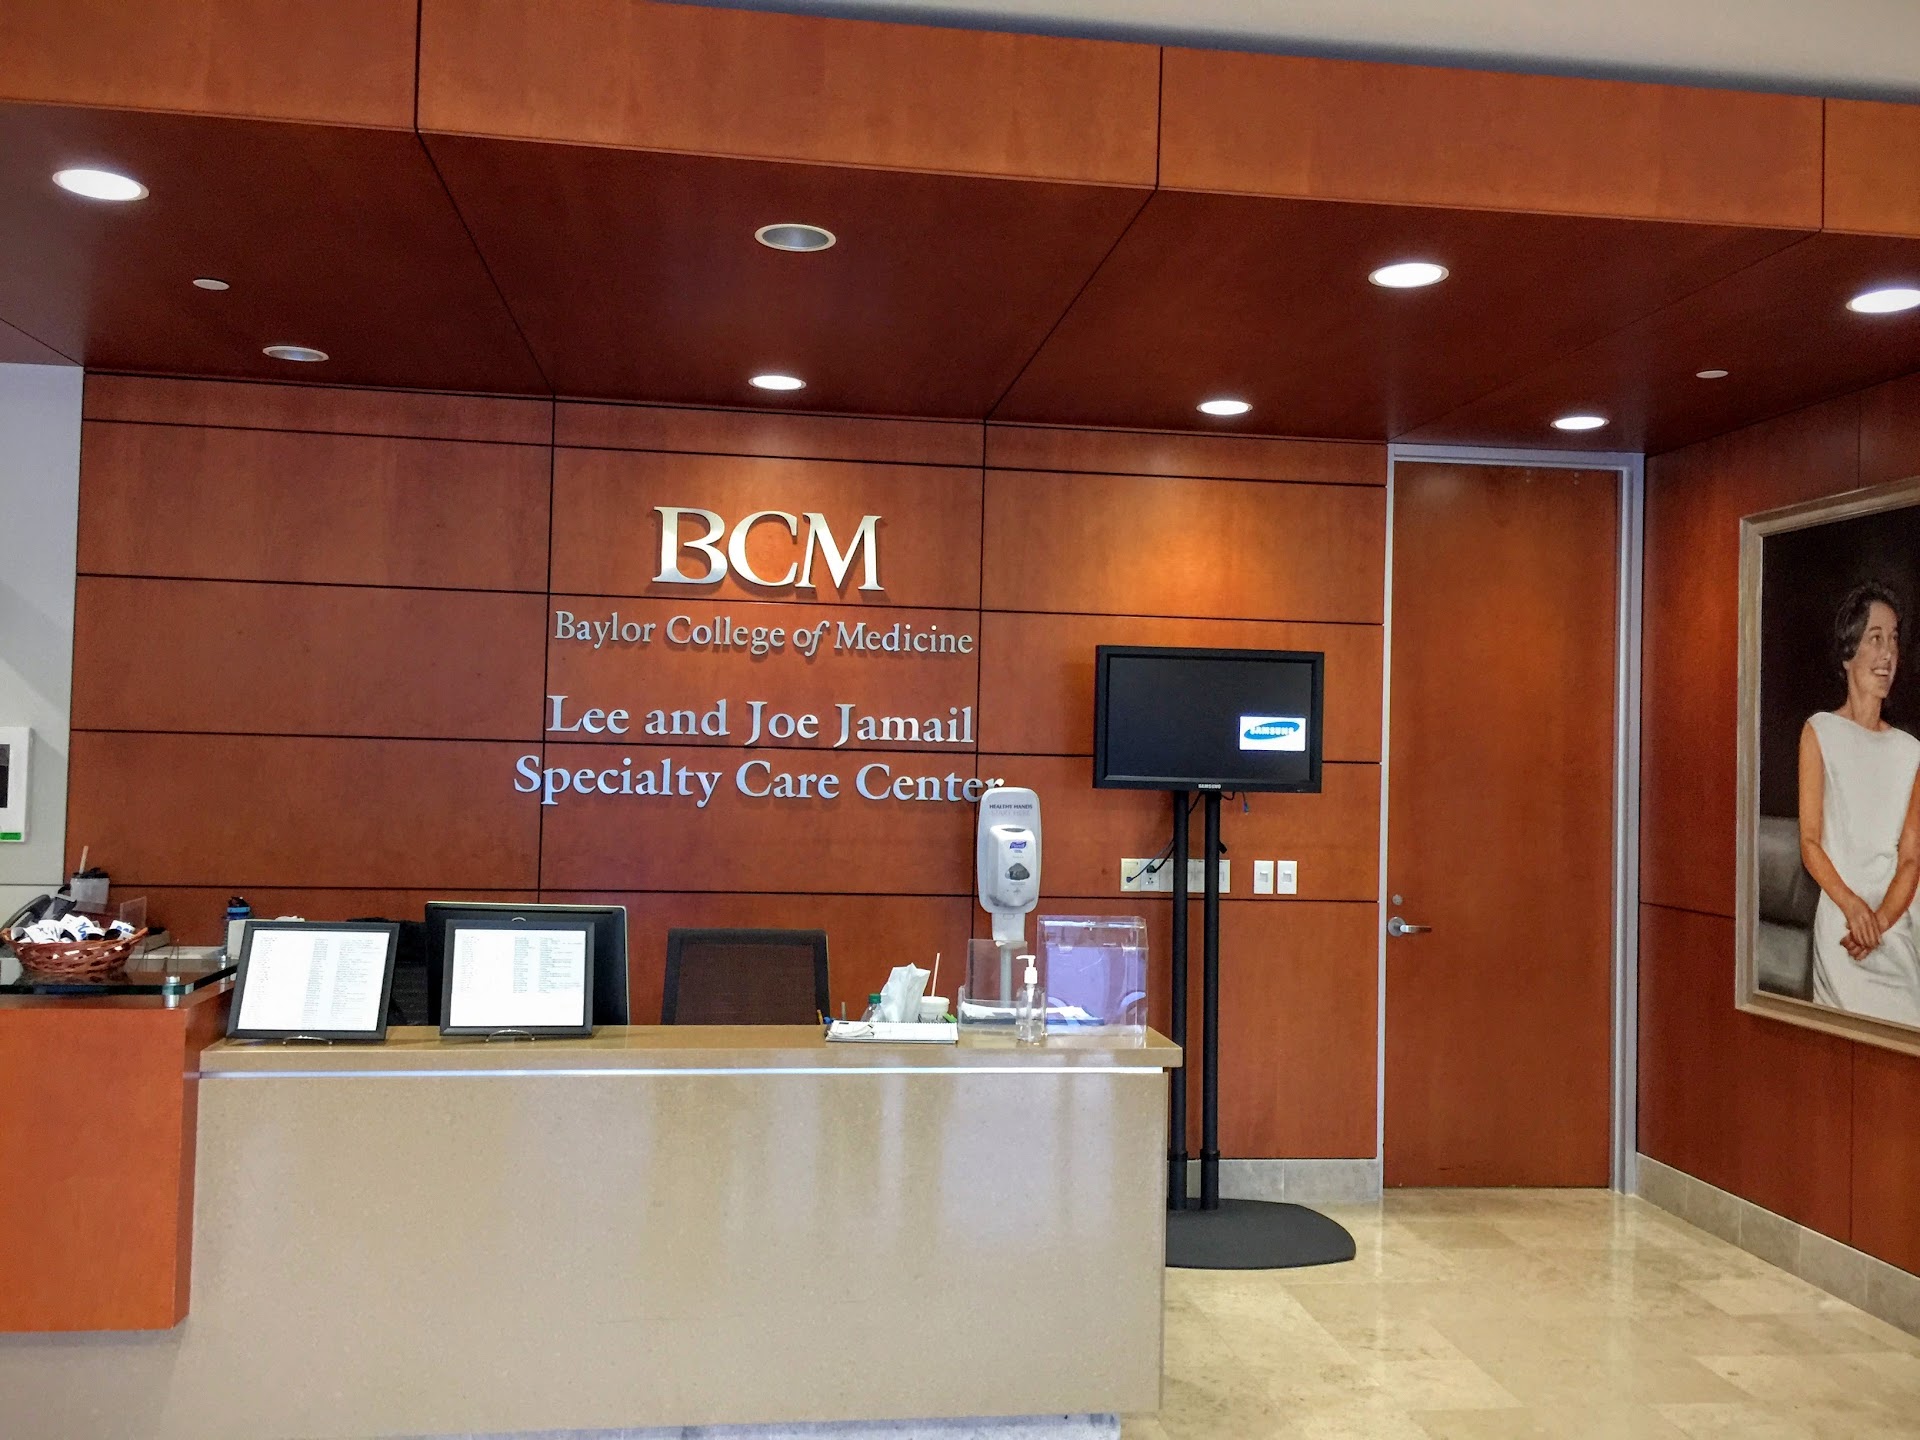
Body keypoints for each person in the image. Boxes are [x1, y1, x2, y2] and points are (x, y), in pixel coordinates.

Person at [1798, 581, 1920, 1027]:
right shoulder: (1819, 732)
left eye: (1894, 640)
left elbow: (1911, 859)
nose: (1888, 654)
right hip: (1842, 926)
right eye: (1875, 638)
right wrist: (1853, 909)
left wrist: (1880, 922)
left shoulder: (1912, 752)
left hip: (1895, 927)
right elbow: (1810, 843)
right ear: (1849, 653)